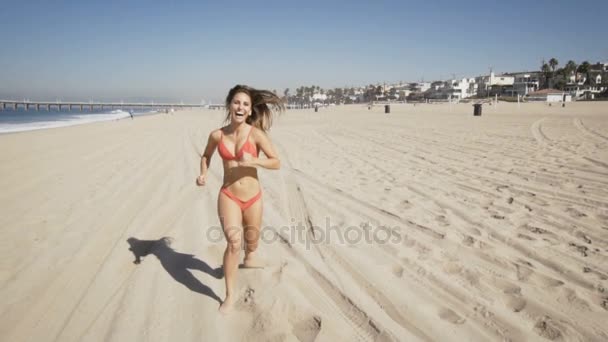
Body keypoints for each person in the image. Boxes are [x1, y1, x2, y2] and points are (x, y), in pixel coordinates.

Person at [196, 84, 284, 314]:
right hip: (229, 195)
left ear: (249, 110)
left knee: (251, 243)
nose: (240, 107)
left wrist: (254, 161)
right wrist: (203, 173)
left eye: (245, 104)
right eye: (237, 102)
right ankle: (229, 294)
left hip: (253, 197)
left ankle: (251, 255)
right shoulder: (217, 135)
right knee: (234, 243)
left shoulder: (256, 134)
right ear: (229, 105)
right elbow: (206, 156)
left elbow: (276, 162)